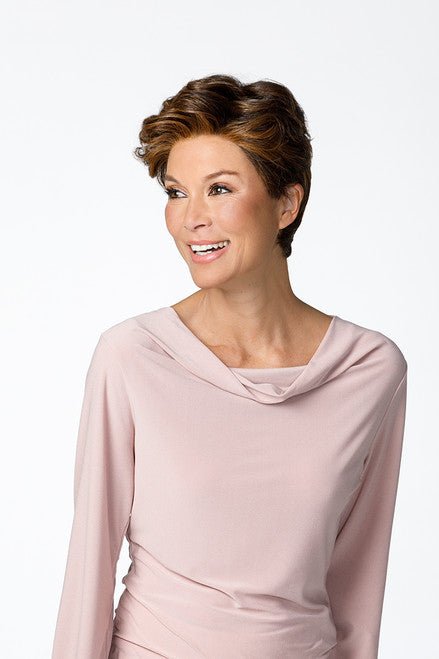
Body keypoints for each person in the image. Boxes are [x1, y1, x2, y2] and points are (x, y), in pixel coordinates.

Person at [51, 74, 408, 659]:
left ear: (286, 203)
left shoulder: (369, 370)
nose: (191, 218)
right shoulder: (133, 356)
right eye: (176, 192)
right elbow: (89, 563)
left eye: (218, 189)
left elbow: (358, 587)